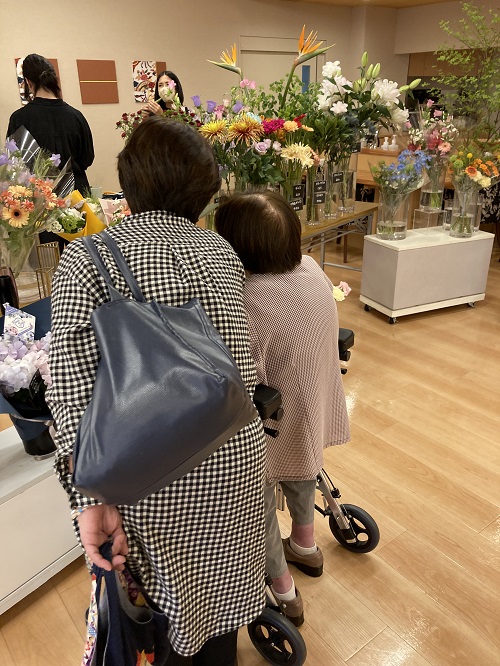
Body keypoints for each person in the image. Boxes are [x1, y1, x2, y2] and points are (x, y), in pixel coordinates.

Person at [46, 117, 266, 665]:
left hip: (153, 479)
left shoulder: (88, 258)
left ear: (130, 182)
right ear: (205, 190)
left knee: (165, 624)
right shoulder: (222, 252)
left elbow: (72, 392)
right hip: (236, 459)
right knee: (219, 621)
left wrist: (89, 500)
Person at [215, 190, 350, 627]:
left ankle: (281, 585)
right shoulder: (311, 268)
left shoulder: (246, 298)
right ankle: (306, 545)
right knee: (303, 466)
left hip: (273, 419)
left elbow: (242, 373)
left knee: (254, 498)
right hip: (316, 402)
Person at [7, 53, 94, 195]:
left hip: (38, 197)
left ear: (28, 82)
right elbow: (87, 159)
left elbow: (14, 164)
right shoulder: (76, 116)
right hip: (77, 196)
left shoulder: (19, 118)